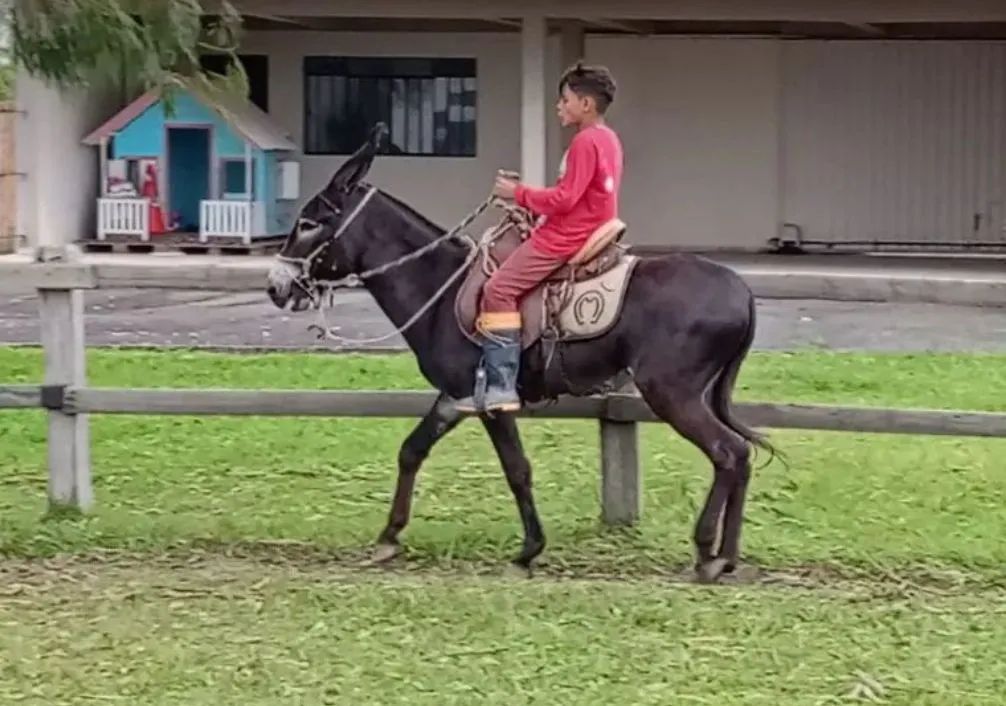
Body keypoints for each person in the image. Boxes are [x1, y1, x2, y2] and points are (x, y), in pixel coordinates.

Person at [455, 62, 623, 413]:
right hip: (586, 228)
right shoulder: (608, 138)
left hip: (566, 237)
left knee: (498, 289)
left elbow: (566, 199)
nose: (559, 106)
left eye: (564, 100)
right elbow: (577, 195)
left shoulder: (584, 141)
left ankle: (501, 386)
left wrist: (518, 193)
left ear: (586, 104)